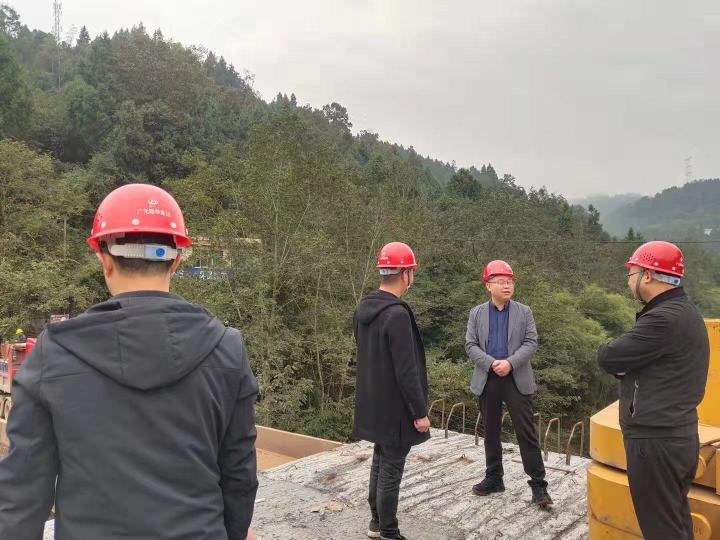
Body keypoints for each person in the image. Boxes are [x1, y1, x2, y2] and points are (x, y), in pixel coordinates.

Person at [0, 184, 259, 540]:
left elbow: (23, 492)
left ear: (104, 260)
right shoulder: (226, 348)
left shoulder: (54, 353)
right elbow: (239, 475)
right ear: (176, 261)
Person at [597, 241, 709, 539]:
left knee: (661, 529)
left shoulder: (662, 318)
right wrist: (630, 364)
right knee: (674, 521)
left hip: (656, 441)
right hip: (675, 435)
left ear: (647, 275)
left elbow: (608, 356)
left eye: (631, 273)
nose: (628, 280)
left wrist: (625, 364)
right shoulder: (684, 312)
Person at [353, 241, 431, 540]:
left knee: (380, 460)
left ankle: (376, 523)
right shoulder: (396, 314)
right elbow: (406, 370)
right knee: (391, 468)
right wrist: (420, 412)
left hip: (374, 402)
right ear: (406, 273)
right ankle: (388, 530)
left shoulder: (364, 308)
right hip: (396, 409)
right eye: (412, 271)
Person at [465, 260, 552, 507]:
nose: (507, 286)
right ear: (488, 285)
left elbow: (531, 342)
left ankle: (538, 486)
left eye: (510, 281)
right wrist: (492, 363)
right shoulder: (477, 313)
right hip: (488, 377)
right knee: (491, 431)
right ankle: (494, 478)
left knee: (526, 432)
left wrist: (510, 363)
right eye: (501, 281)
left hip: (516, 377)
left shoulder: (524, 312)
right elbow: (470, 344)